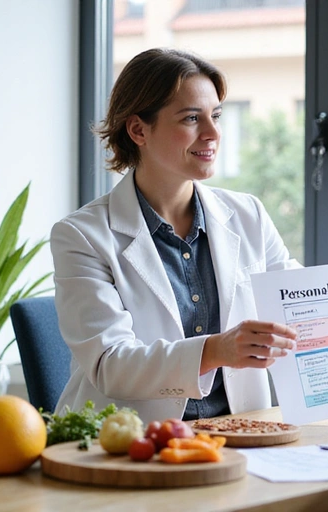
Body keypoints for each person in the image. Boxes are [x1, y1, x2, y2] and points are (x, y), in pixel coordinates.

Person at [50, 48, 299, 424]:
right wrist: (216, 350)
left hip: (239, 435)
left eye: (215, 115)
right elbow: (111, 364)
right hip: (129, 443)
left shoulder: (249, 215)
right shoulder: (81, 235)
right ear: (138, 130)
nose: (213, 133)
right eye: (191, 118)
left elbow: (305, 304)